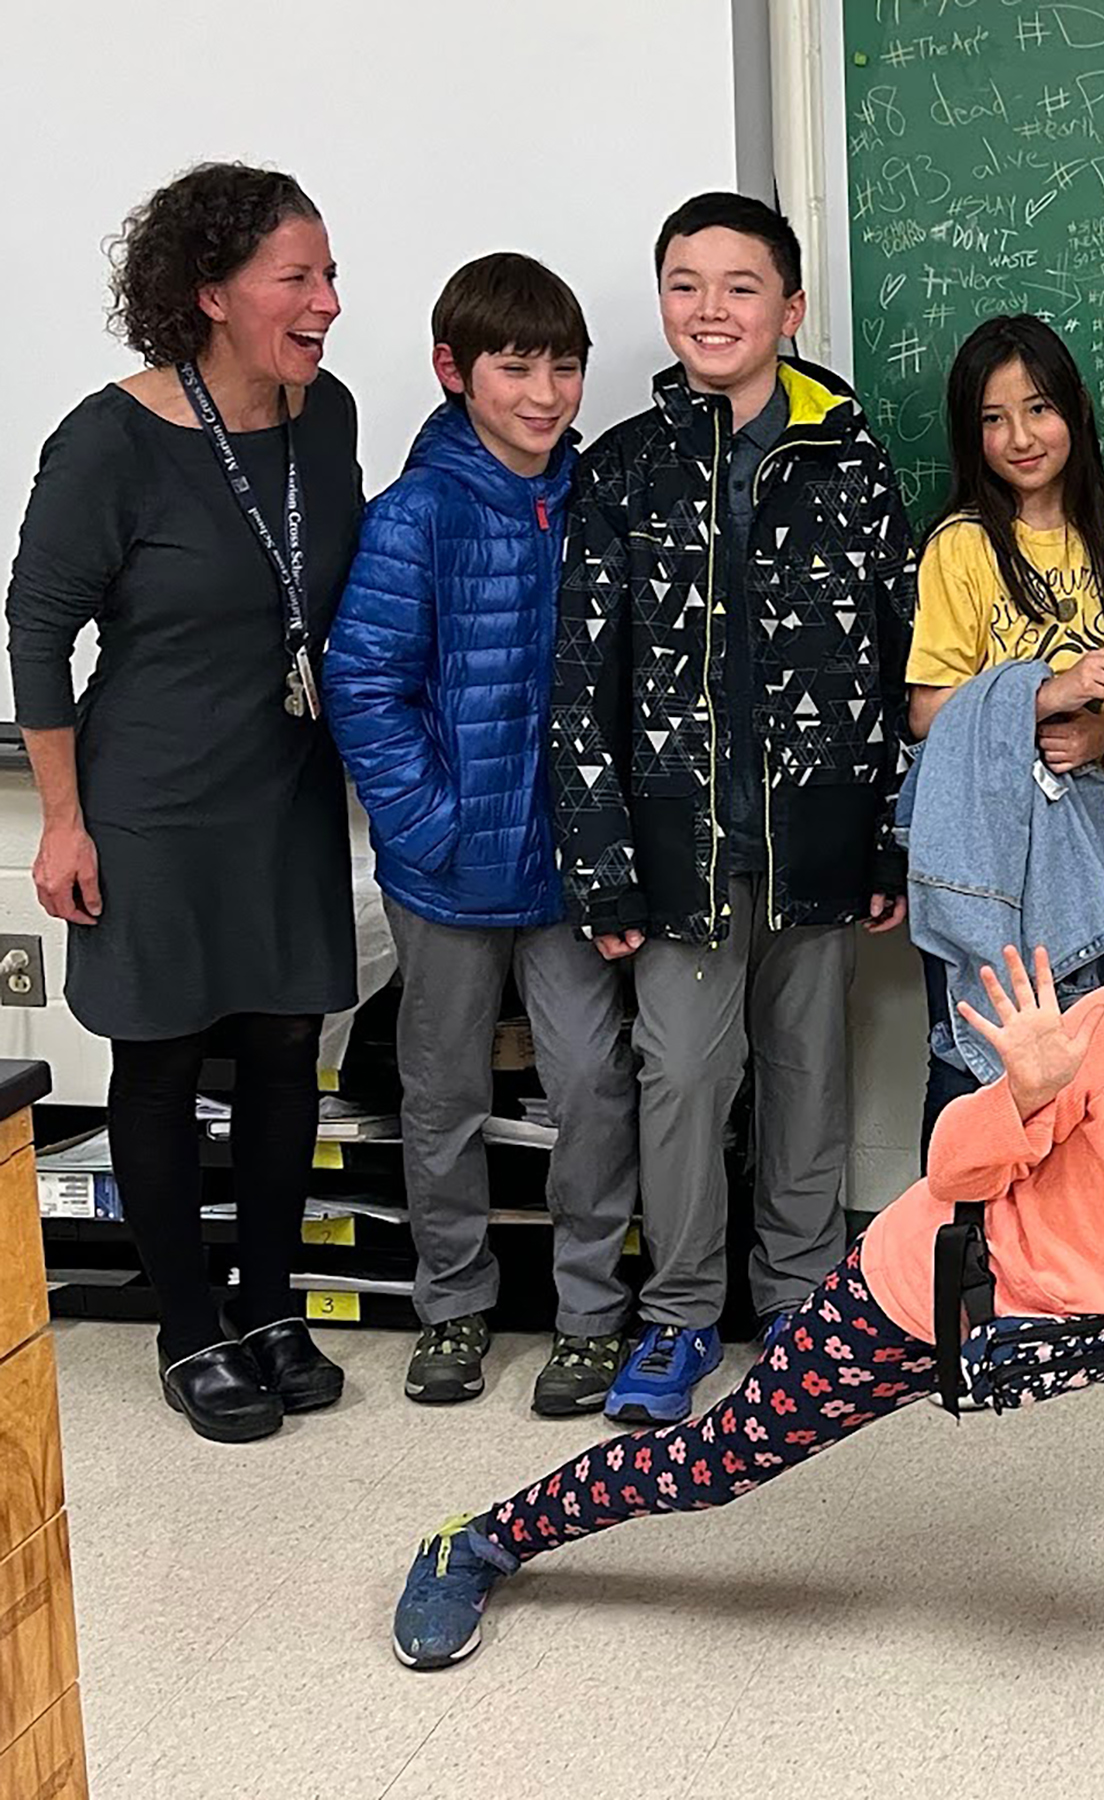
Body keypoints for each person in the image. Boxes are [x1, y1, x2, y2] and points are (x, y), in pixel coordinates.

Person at [388, 821, 1104, 1771]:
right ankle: (478, 1541)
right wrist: (1019, 1090)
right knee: (715, 1466)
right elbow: (956, 1176)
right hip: (947, 1303)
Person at [547, 193, 916, 1425]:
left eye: (741, 285)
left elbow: (891, 651)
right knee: (686, 1079)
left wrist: (884, 837)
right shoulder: (625, 471)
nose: (712, 309)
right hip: (675, 852)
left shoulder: (850, 460)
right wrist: (601, 869)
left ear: (791, 309)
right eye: (686, 285)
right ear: (662, 303)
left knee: (808, 1075)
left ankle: (806, 1303)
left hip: (815, 838)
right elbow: (579, 683)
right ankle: (682, 1313)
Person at [6, 163, 360, 1442]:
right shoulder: (110, 439)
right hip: (147, 800)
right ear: (211, 295)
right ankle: (189, 1331)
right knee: (155, 1067)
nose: (328, 300)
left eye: (329, 272)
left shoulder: (329, 418)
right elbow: (36, 632)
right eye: (298, 278)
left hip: (285, 792)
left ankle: (271, 1307)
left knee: (280, 1056)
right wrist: (61, 818)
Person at [323, 253, 640, 1415]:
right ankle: (451, 1305)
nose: (546, 392)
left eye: (565, 365)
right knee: (441, 1091)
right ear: (457, 372)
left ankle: (591, 1314)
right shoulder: (418, 512)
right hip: (445, 869)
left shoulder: (597, 499)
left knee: (592, 1085)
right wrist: (431, 822)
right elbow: (362, 681)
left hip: (569, 870)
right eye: (517, 366)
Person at [906, 314, 1104, 1142]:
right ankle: (952, 1257)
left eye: (1039, 408)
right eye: (992, 418)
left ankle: (1051, 1259)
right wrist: (1044, 695)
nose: (1019, 436)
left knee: (1077, 1057)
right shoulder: (964, 546)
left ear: (1077, 411)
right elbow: (927, 709)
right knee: (969, 1055)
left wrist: (1101, 738)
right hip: (977, 849)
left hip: (1084, 848)